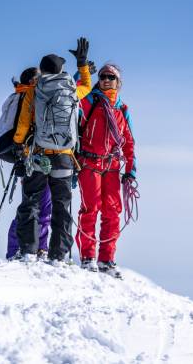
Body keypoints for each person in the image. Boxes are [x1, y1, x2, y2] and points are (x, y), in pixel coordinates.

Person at [12, 38, 92, 264]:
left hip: (39, 155)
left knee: (31, 202)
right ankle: (58, 256)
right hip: (65, 158)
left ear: (43, 70)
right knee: (61, 206)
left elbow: (24, 124)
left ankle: (28, 251)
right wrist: (83, 63)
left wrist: (19, 146)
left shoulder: (35, 91)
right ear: (61, 70)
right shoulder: (72, 91)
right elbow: (87, 83)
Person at [76, 63, 136, 278]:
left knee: (112, 212)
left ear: (118, 83)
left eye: (111, 77)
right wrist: (80, 72)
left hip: (111, 166)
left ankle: (107, 260)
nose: (106, 80)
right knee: (90, 209)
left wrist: (131, 170)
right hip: (89, 163)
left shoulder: (122, 108)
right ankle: (88, 257)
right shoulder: (88, 102)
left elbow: (129, 142)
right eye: (103, 76)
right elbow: (71, 97)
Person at [5, 67, 52, 261]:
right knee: (34, 207)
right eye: (39, 78)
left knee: (36, 206)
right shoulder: (27, 97)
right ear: (32, 81)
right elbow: (23, 127)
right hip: (32, 158)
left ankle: (36, 247)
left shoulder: (25, 95)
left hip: (34, 157)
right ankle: (24, 248)